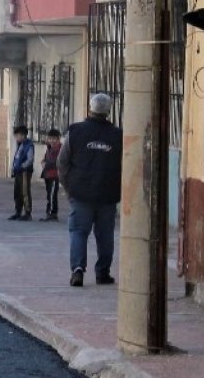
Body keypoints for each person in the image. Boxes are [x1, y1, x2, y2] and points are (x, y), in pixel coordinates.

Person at [59, 93, 123, 288]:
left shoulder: (76, 131)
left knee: (78, 231)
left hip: (80, 192)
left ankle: (77, 270)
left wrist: (68, 186)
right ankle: (102, 272)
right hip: (107, 193)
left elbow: (62, 162)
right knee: (105, 235)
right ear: (108, 111)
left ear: (90, 109)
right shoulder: (118, 135)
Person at [8, 126, 34, 221]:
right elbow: (16, 158)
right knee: (17, 191)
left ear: (23, 135)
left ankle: (27, 212)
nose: (16, 138)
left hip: (24, 171)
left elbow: (30, 159)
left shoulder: (28, 145)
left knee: (25, 191)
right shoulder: (19, 145)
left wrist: (23, 166)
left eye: (18, 135)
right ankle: (18, 210)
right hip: (18, 171)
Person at [39, 128, 62, 221]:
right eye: (50, 138)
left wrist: (46, 164)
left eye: (54, 139)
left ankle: (53, 213)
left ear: (58, 139)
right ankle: (49, 212)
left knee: (53, 194)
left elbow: (58, 162)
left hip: (55, 175)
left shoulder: (60, 149)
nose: (52, 141)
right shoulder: (49, 148)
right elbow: (46, 158)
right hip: (47, 175)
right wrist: (43, 162)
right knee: (49, 194)